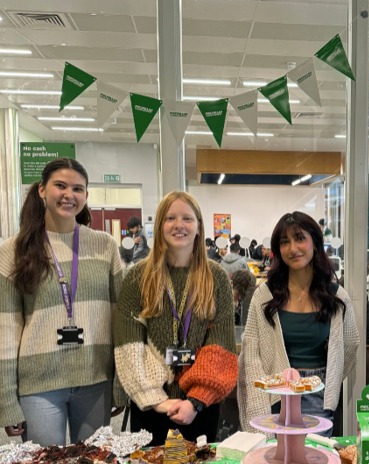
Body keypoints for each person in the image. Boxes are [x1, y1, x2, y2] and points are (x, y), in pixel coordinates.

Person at [0, 157, 124, 446]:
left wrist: (120, 382)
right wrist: (6, 398)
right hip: (39, 383)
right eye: (60, 186)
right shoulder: (13, 250)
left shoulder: (105, 246)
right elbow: (5, 330)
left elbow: (121, 320)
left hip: (96, 377)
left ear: (86, 196)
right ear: (42, 190)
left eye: (78, 189)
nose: (69, 195)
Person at [114, 191, 237, 446]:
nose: (179, 225)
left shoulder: (216, 278)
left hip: (201, 407)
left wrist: (196, 401)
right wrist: (156, 399)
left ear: (199, 227)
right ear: (159, 226)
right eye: (170, 218)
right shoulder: (138, 277)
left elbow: (220, 345)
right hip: (150, 406)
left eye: (187, 218)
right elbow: (129, 345)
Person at [238, 211, 359, 436]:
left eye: (300, 238)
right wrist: (259, 400)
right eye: (285, 242)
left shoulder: (336, 296)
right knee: (273, 462)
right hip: (274, 394)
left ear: (315, 243)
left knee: (312, 461)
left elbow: (350, 345)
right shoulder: (264, 296)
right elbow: (251, 351)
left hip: (317, 396)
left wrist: (328, 381)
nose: (293, 248)